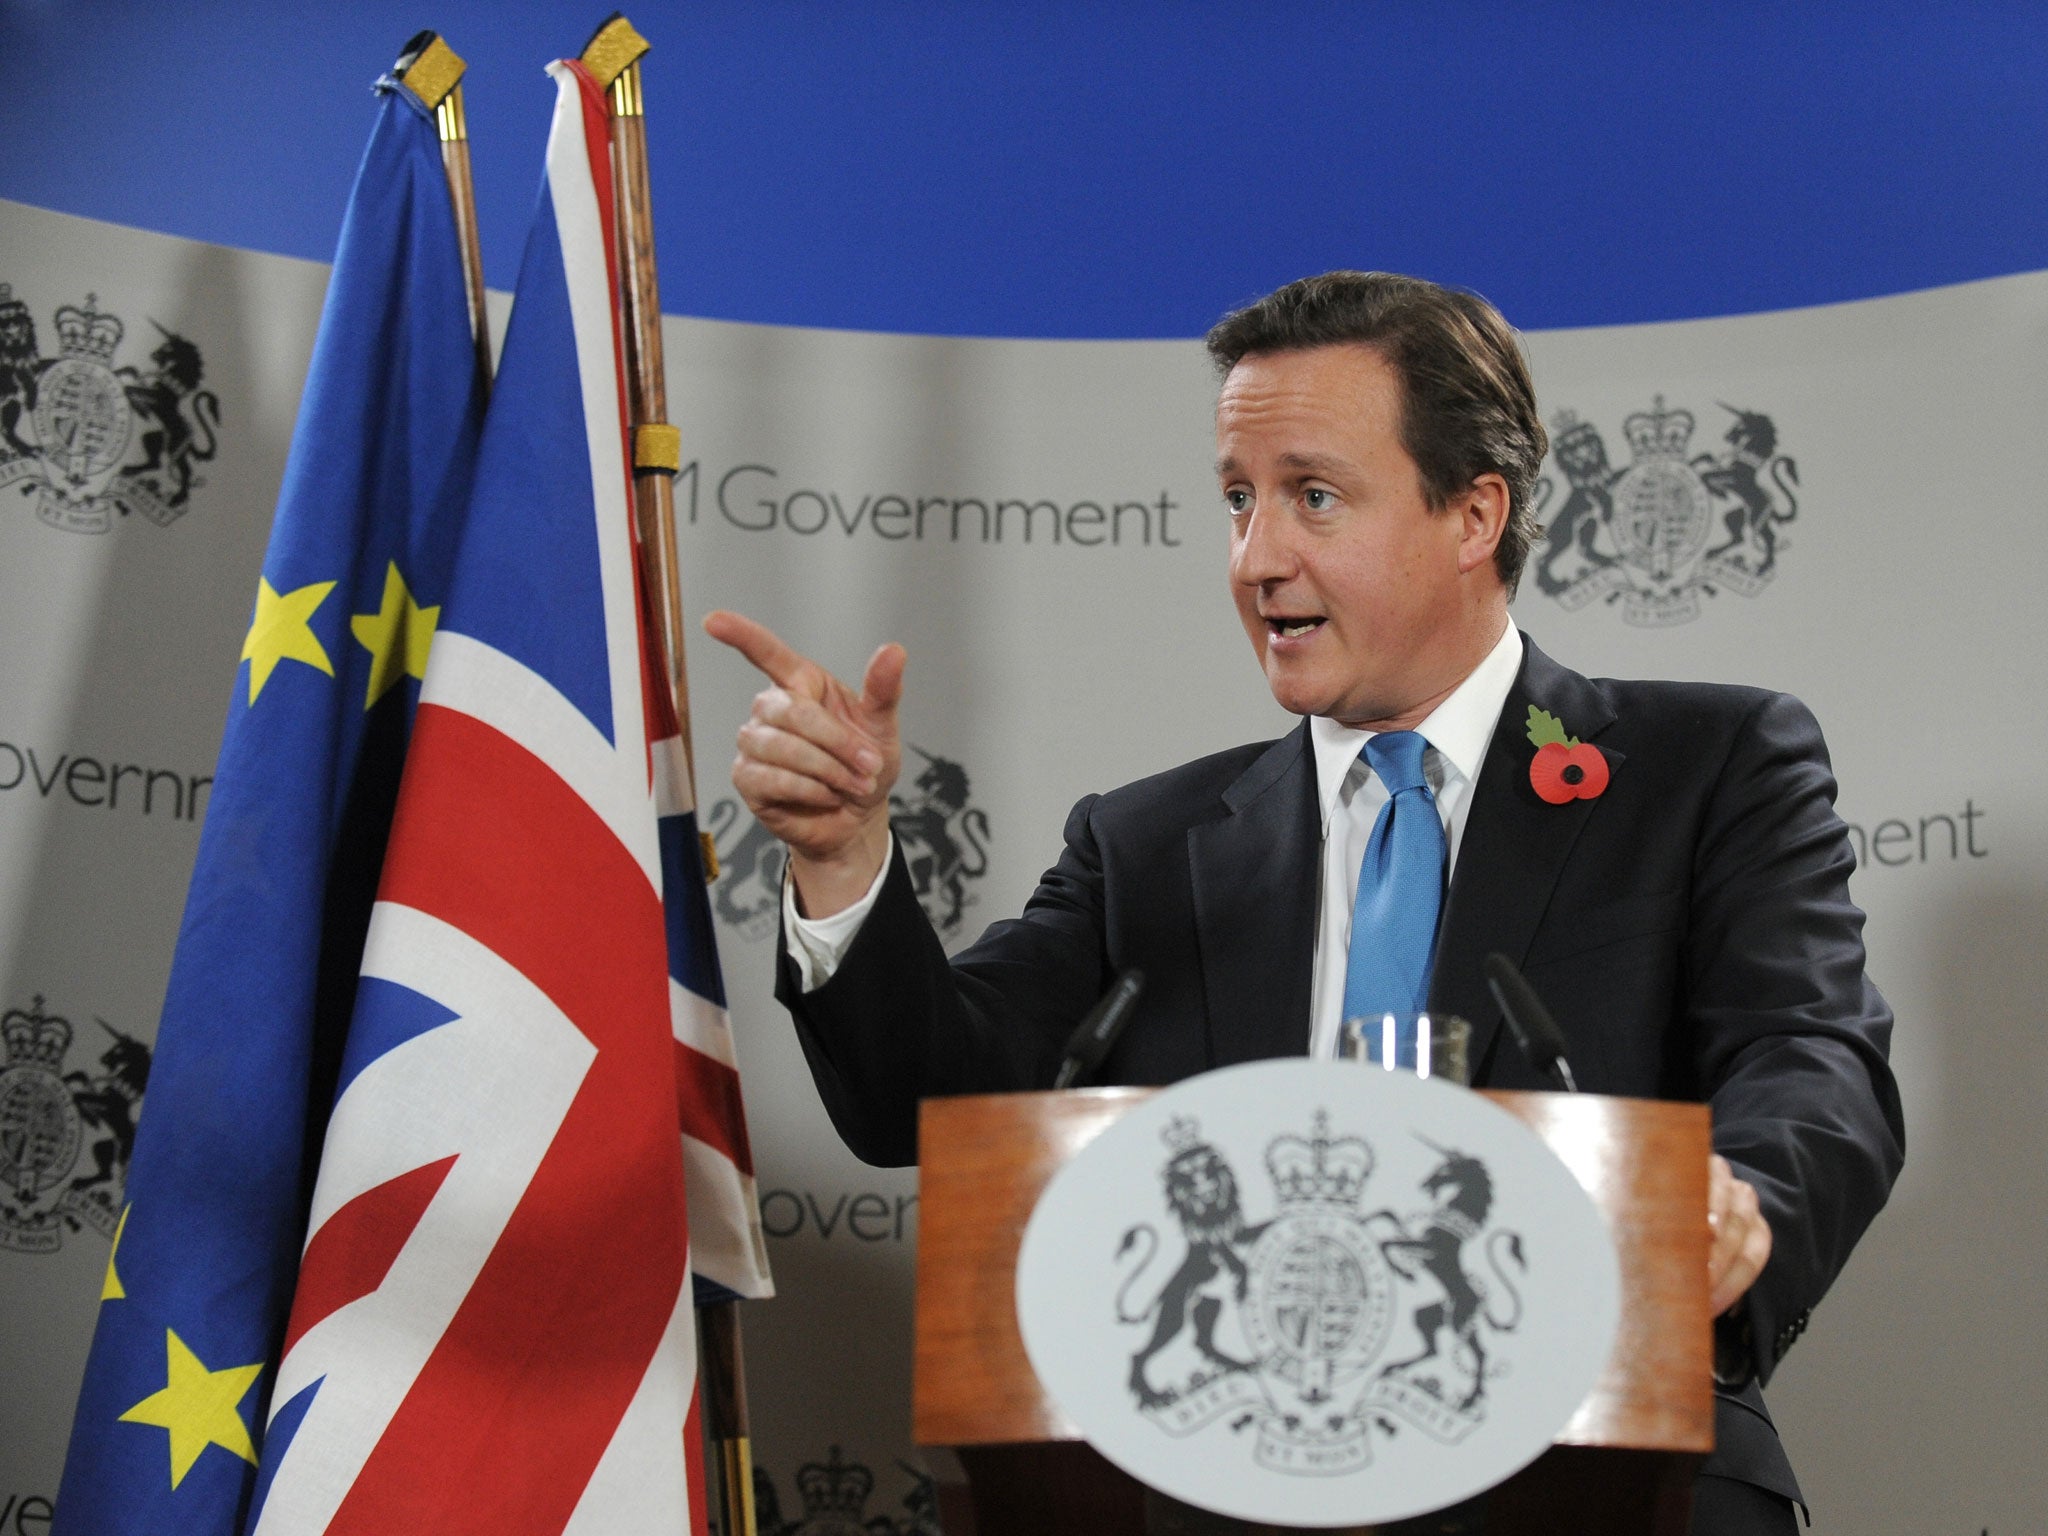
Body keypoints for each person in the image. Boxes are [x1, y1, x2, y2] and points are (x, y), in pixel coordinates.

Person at [704, 270, 1903, 1534]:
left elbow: (1809, 1053)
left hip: (1611, 1477)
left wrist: (1741, 1197)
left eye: (1311, 497)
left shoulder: (1703, 770)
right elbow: (921, 1101)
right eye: (1236, 500)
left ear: (1472, 514)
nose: (1254, 558)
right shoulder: (1147, 845)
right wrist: (841, 857)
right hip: (1220, 1491)